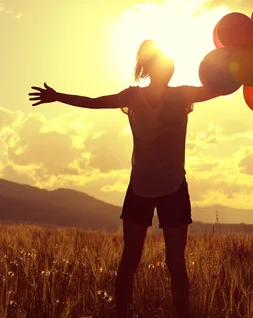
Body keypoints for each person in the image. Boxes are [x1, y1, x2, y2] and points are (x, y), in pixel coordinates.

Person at [28, 40, 220, 318]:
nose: (167, 69)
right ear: (151, 69)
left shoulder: (178, 95)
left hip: (165, 187)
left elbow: (218, 89)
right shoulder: (155, 96)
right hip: (150, 187)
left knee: (166, 261)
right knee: (138, 260)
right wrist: (58, 97)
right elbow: (94, 103)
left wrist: (243, 70)